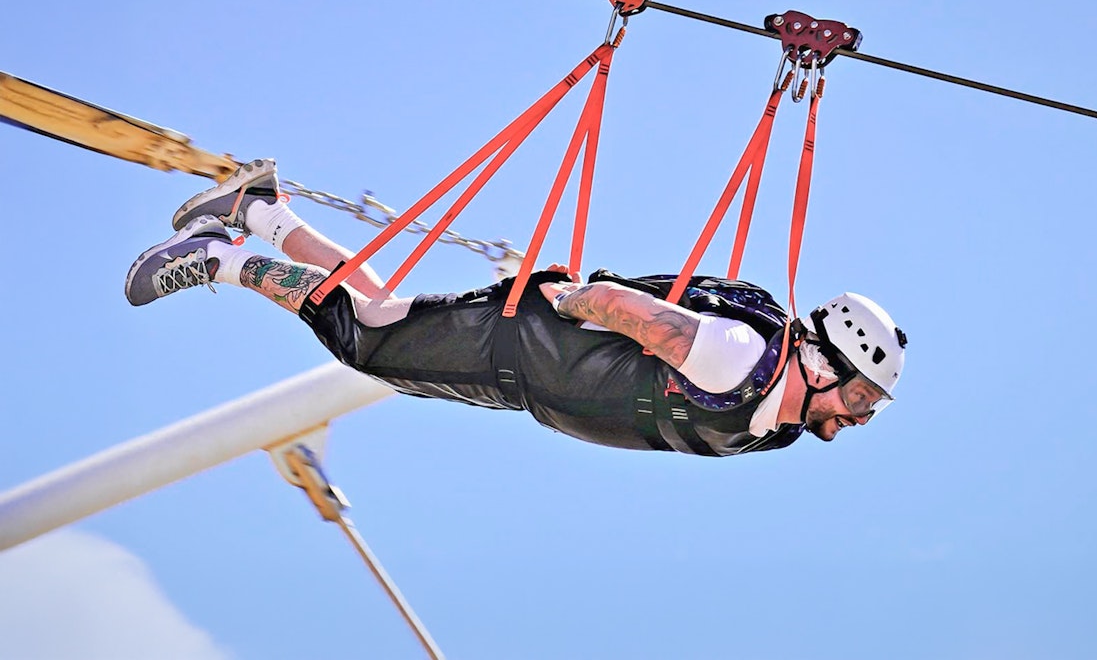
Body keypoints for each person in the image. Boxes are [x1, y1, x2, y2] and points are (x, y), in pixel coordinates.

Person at [125, 159, 907, 457]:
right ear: (820, 358)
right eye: (862, 396)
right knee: (365, 345)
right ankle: (223, 258)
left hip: (523, 373)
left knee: (379, 319)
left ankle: (260, 209)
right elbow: (630, 314)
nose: (857, 418)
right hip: (523, 346)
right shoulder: (743, 360)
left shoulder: (771, 422)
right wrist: (563, 297)